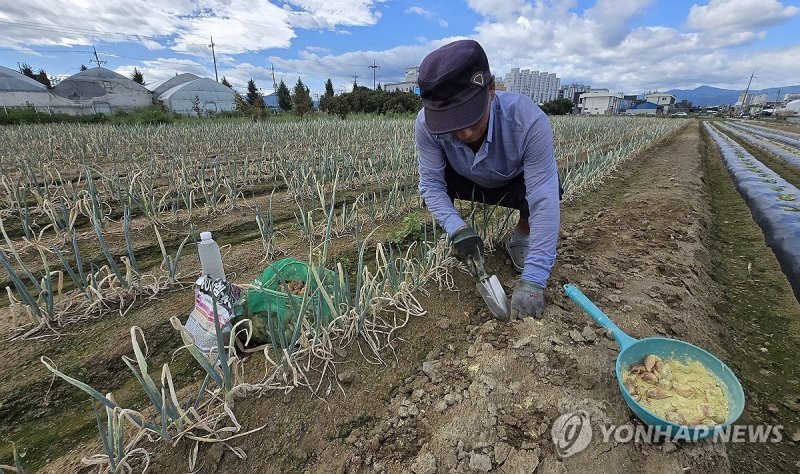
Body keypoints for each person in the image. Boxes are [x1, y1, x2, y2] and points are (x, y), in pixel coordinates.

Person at [415, 39, 561, 321]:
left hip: (511, 181)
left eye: (471, 117)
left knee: (550, 188)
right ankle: (453, 238)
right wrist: (458, 228)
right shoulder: (425, 125)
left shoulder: (528, 120)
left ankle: (520, 237)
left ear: (491, 89)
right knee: (431, 189)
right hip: (463, 177)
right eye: (452, 123)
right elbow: (431, 184)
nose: (465, 133)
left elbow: (543, 198)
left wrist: (534, 280)